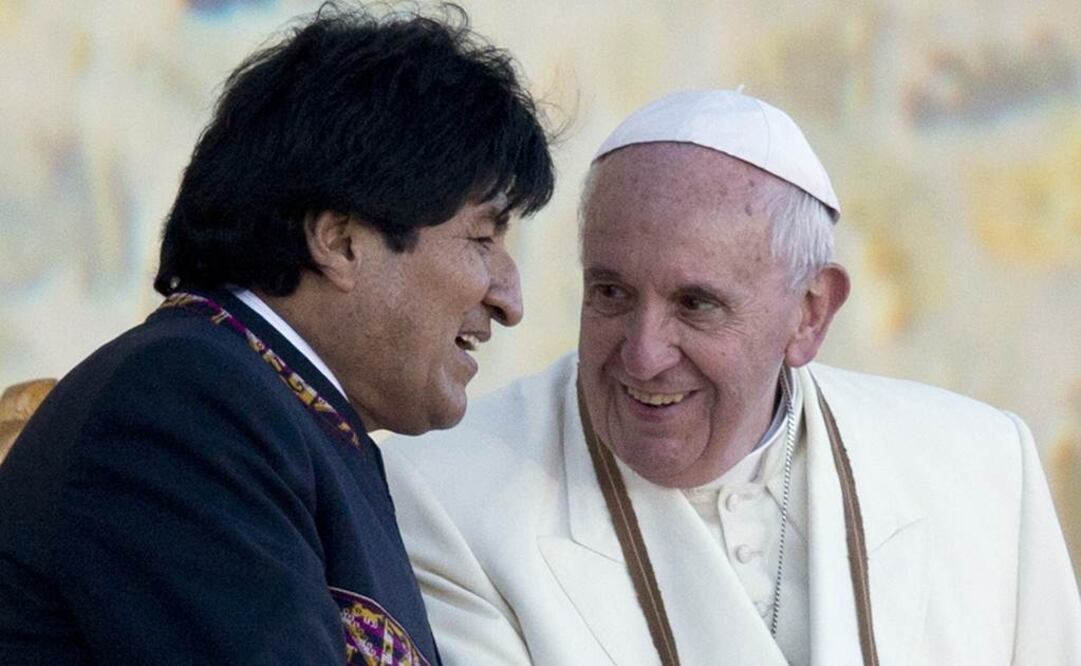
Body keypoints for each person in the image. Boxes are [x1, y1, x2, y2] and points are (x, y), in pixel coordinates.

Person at [382, 90, 1081, 665]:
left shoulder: (983, 468)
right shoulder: (446, 496)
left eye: (696, 304)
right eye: (611, 294)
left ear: (809, 313)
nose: (643, 356)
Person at [0, 5, 553, 664]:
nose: (509, 299)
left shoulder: (294, 424)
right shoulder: (187, 404)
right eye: (482, 239)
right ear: (339, 241)